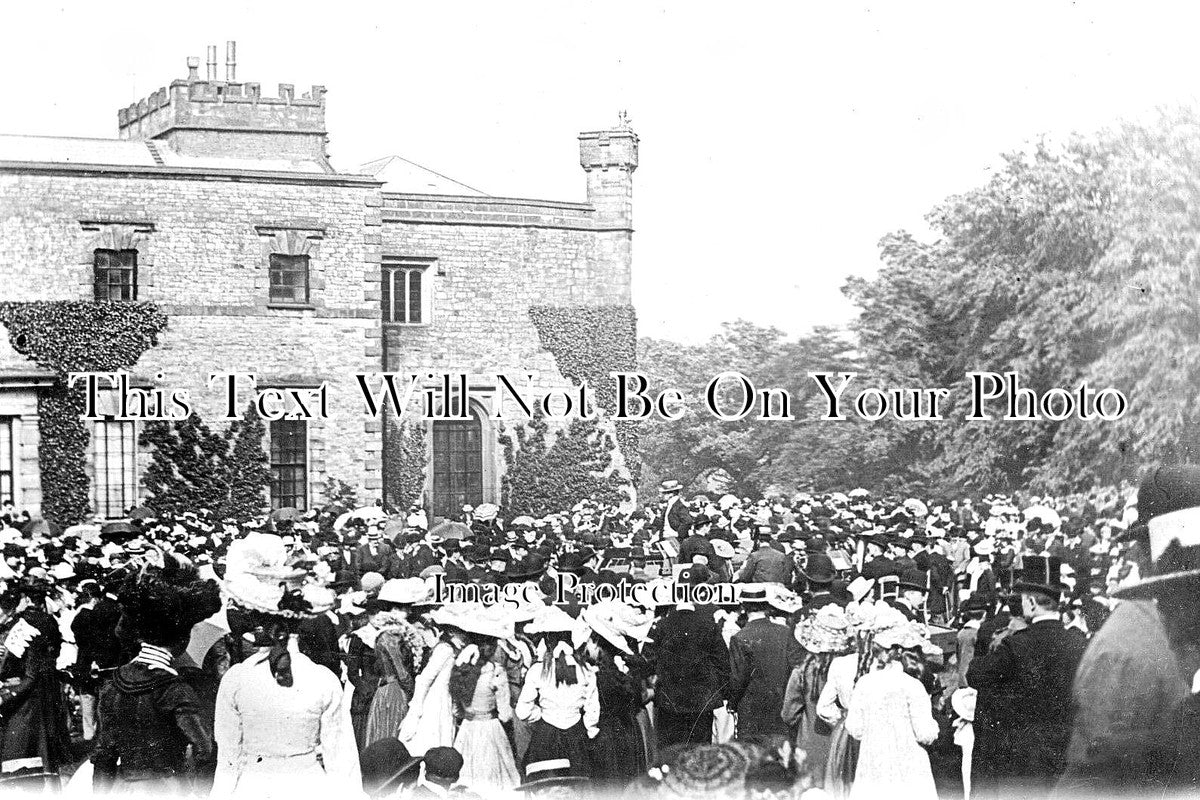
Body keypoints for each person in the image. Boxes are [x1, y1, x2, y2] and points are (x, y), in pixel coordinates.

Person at [211, 533, 360, 799]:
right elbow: (341, 758)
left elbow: (228, 758)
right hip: (308, 785)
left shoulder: (236, 679)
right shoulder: (323, 679)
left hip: (253, 785)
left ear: (259, 624)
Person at [91, 554, 221, 793]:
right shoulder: (176, 690)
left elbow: (104, 754)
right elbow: (205, 751)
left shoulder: (113, 685)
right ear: (182, 638)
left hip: (124, 787)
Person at [967, 556, 1086, 799]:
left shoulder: (1016, 645)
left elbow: (974, 675)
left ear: (1031, 602)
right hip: (1065, 751)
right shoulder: (1079, 643)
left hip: (1023, 757)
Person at [844, 619, 940, 800]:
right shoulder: (912, 686)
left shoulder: (864, 683)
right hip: (908, 764)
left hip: (874, 761)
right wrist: (934, 728)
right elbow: (925, 734)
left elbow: (855, 728)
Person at [646, 569, 730, 749]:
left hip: (670, 702)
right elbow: (722, 663)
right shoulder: (708, 625)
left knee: (671, 753)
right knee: (699, 754)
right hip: (701, 703)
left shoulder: (662, 625)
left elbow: (648, 660)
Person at [514, 605, 599, 777]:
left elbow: (522, 711)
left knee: (546, 785)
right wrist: (589, 729)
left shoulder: (538, 670)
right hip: (576, 735)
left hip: (546, 737)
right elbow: (592, 712)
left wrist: (542, 714)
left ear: (546, 641)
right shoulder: (586, 670)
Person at [0, 577, 71, 781]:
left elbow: (19, 668)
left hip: (22, 692)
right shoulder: (47, 621)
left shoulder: (22, 626)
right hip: (41, 687)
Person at [445, 606, 520, 793]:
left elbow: (456, 709)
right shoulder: (496, 671)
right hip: (489, 726)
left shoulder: (460, 668)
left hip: (468, 727)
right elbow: (504, 714)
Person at [782, 604, 855, 787]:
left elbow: (788, 714)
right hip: (844, 743)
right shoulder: (850, 670)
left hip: (810, 742)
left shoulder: (803, 671)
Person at [728, 587, 803, 740]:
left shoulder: (740, 638)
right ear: (766, 605)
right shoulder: (785, 632)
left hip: (751, 712)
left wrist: (732, 703)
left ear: (743, 607)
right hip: (781, 707)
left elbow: (738, 678)